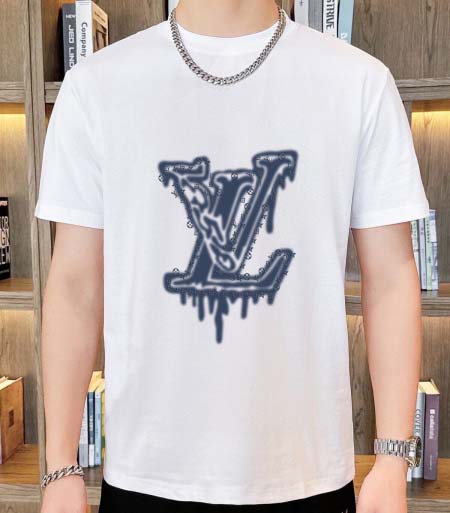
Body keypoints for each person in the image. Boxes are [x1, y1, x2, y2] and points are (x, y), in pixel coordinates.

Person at [35, 0, 429, 512]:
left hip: (305, 474)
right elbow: (74, 285)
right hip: (146, 474)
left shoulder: (359, 83)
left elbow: (392, 277)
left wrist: (393, 459)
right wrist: (60, 467)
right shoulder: (95, 87)